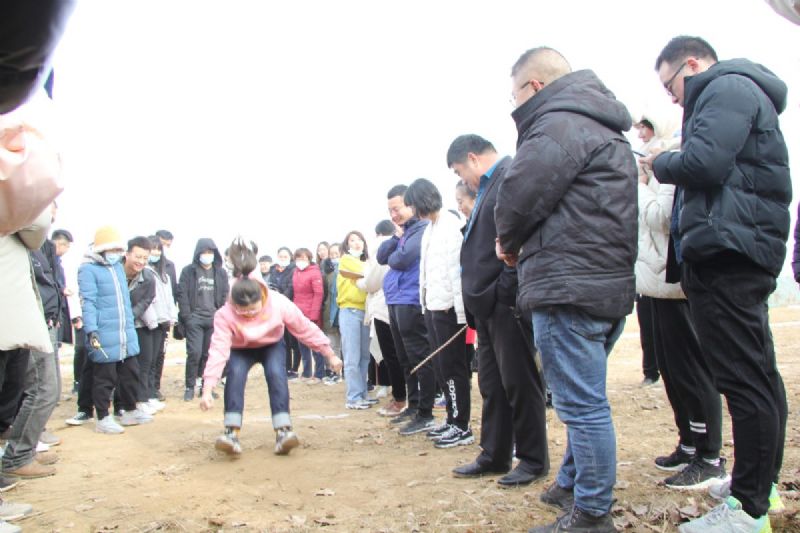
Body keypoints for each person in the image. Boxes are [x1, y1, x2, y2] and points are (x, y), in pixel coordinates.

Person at [644, 36, 790, 532]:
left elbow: (704, 164)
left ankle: (749, 511)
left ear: (692, 63)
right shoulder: (737, 91)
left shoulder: (725, 88)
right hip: (737, 248)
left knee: (744, 381)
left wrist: (660, 160)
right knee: (758, 375)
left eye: (671, 84)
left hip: (728, 253)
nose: (671, 97)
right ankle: (758, 483)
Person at [495, 48, 637, 532]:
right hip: (604, 282)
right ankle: (572, 484)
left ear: (534, 86)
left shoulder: (556, 124)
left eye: (513, 93)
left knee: (582, 404)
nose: (512, 103)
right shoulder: (602, 125)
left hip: (567, 285)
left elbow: (518, 196)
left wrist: (508, 243)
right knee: (585, 396)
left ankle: (593, 515)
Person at [447, 134, 549, 487]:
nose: (463, 180)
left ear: (473, 159)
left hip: (504, 301)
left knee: (520, 381)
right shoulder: (491, 185)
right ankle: (494, 453)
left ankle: (533, 458)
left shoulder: (508, 176)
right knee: (492, 384)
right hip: (487, 307)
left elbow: (517, 236)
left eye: (461, 170)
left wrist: (505, 288)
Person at [635, 115, 727, 491]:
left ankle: (710, 456)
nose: (646, 157)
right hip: (654, 288)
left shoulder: (674, 176)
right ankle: (687, 443)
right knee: (672, 373)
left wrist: (643, 186)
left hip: (675, 290)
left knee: (693, 374)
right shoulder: (657, 179)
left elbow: (661, 220)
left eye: (650, 149)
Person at [199, 239, 342, 456]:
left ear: (262, 298)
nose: (248, 315)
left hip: (271, 344)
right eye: (242, 311)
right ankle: (231, 432)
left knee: (277, 374)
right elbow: (218, 351)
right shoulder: (225, 314)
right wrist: (208, 388)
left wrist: (329, 354)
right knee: (235, 375)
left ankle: (283, 431)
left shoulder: (277, 302)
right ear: (233, 304)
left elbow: (304, 328)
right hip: (241, 348)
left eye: (253, 310)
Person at [404, 178, 473, 449]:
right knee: (442, 368)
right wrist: (424, 305)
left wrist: (461, 314)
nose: (412, 211)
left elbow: (458, 273)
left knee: (455, 369)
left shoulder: (451, 226)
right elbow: (426, 274)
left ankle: (461, 425)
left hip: (449, 310)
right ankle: (451, 418)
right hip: (432, 307)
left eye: (413, 205)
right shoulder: (430, 229)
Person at [377, 185, 435, 436]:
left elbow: (402, 259)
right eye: (390, 210)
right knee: (404, 358)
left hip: (411, 299)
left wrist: (396, 251)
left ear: (411, 205)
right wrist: (394, 238)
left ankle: (426, 411)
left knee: (419, 357)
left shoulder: (421, 229)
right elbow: (381, 256)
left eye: (397, 208)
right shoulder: (403, 232)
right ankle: (413, 405)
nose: (394, 214)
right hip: (395, 299)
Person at [77, 226, 142, 434]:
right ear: (102, 249)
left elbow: (124, 300)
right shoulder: (87, 269)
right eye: (112, 249)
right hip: (104, 332)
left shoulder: (117, 268)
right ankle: (103, 417)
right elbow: (88, 302)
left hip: (125, 331)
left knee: (131, 372)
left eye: (118, 249)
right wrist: (92, 330)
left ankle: (129, 410)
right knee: (105, 377)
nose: (116, 253)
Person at [177, 238, 229, 401]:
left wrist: (220, 313)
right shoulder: (188, 271)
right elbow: (182, 294)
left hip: (213, 319)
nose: (207, 255)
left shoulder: (220, 272)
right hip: (195, 319)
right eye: (204, 252)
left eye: (210, 252)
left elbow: (224, 294)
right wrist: (187, 317)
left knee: (208, 354)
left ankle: (205, 386)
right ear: (198, 253)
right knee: (194, 353)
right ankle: (190, 386)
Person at [364, 220, 405, 417]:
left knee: (392, 355)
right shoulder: (402, 241)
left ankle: (400, 398)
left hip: (384, 306)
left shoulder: (383, 247)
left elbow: (372, 281)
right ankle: (402, 396)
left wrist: (360, 282)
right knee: (399, 355)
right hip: (397, 303)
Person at [121, 237, 160, 425]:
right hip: (115, 324)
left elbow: (147, 299)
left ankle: (138, 401)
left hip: (139, 323)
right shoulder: (115, 273)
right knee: (117, 367)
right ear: (127, 254)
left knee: (140, 365)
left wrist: (131, 314)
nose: (141, 262)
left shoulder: (149, 277)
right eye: (138, 256)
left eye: (145, 258)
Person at [337, 231, 373, 409]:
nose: (357, 243)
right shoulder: (346, 260)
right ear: (347, 244)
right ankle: (353, 397)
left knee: (364, 357)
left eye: (360, 240)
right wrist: (371, 268)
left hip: (364, 311)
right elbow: (369, 271)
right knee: (352, 357)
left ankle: (362, 393)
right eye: (352, 240)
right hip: (350, 310)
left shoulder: (364, 262)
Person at [146, 236, 177, 405]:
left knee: (159, 356)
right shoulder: (145, 271)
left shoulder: (164, 272)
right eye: (153, 249)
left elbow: (170, 296)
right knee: (149, 359)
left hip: (164, 321)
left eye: (159, 249)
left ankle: (154, 389)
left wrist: (173, 317)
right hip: (151, 322)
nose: (156, 252)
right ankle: (148, 392)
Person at [291, 248, 325, 381]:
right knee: (302, 343)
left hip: (311, 312)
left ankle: (319, 373)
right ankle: (306, 372)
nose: (301, 261)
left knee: (315, 343)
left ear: (309, 259)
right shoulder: (296, 272)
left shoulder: (315, 272)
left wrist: (314, 314)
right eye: (298, 258)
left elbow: (319, 294)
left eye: (304, 258)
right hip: (298, 311)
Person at [269, 247, 300, 379]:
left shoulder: (293, 270)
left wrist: (281, 297)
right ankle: (286, 368)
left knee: (294, 341)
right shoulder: (273, 271)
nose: (282, 259)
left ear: (290, 257)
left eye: (285, 256)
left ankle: (295, 368)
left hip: (290, 306)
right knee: (284, 341)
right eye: (280, 256)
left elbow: (291, 288)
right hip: (276, 310)